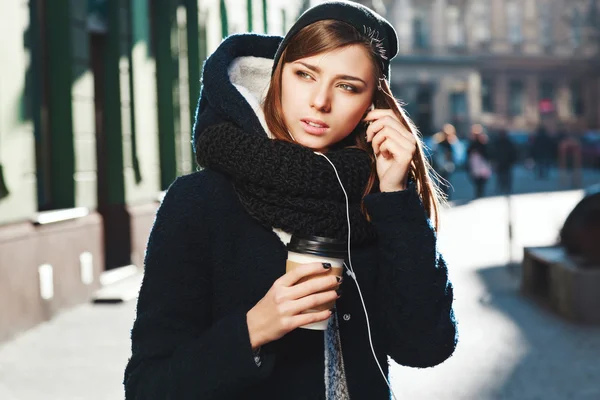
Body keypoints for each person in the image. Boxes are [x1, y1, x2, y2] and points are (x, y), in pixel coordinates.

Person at [123, 2, 457, 399]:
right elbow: (149, 387)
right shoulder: (199, 202)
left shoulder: (376, 200)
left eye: (347, 86)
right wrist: (254, 329)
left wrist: (396, 196)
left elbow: (425, 346)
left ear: (373, 105)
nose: (320, 101)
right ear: (277, 75)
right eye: (305, 75)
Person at [431, 123, 457, 199]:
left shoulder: (451, 142)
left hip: (446, 164)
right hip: (442, 164)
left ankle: (445, 195)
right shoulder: (440, 142)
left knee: (444, 180)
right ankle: (443, 195)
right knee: (443, 180)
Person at [467, 124, 491, 199]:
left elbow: (487, 152)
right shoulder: (471, 142)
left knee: (483, 177)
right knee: (475, 178)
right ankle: (478, 191)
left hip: (482, 162)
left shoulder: (483, 141)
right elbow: (468, 152)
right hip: (474, 162)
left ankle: (480, 191)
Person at [492, 129, 518, 194]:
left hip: (506, 162)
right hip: (502, 162)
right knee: (502, 176)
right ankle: (503, 187)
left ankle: (505, 187)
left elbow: (513, 152)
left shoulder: (507, 142)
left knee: (505, 176)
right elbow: (493, 152)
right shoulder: (498, 143)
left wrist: (513, 160)